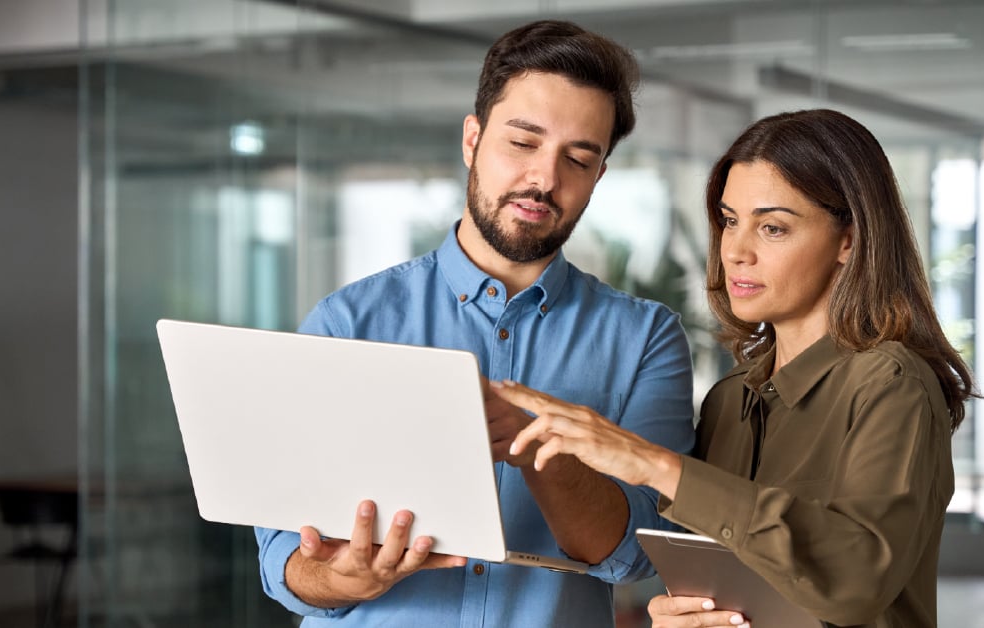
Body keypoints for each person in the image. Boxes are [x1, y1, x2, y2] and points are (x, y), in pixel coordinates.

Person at [253, 19, 697, 628]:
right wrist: (337, 578)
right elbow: (282, 559)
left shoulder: (646, 337)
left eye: (578, 158)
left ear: (598, 176)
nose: (545, 178)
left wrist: (531, 442)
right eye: (523, 142)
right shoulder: (346, 322)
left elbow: (636, 552)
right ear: (472, 139)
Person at [496, 108, 978, 628]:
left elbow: (857, 579)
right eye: (729, 221)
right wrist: (682, 613)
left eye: (772, 227)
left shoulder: (892, 384)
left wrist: (655, 465)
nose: (737, 252)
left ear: (849, 240)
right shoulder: (729, 401)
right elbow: (726, 585)